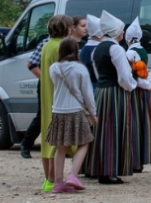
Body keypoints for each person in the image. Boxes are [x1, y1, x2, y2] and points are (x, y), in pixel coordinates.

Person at [82, 11, 139, 185]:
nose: (123, 33)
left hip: (101, 92)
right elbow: (124, 76)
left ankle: (98, 168)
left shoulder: (97, 49)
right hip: (114, 93)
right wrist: (131, 86)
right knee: (114, 129)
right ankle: (110, 171)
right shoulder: (116, 49)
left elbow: (99, 73)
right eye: (121, 30)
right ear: (116, 32)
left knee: (101, 131)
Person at [46, 37, 96, 195]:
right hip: (75, 110)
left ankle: (58, 182)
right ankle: (73, 175)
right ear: (76, 50)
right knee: (84, 142)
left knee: (60, 147)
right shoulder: (80, 68)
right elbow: (87, 93)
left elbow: (56, 84)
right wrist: (93, 112)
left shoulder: (54, 68)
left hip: (58, 111)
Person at [124, 18, 151, 171]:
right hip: (143, 92)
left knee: (135, 124)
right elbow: (145, 73)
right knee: (143, 124)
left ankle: (135, 160)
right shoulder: (142, 50)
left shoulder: (131, 52)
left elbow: (139, 74)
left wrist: (146, 85)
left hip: (137, 92)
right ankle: (140, 160)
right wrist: (149, 84)